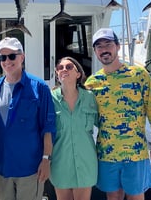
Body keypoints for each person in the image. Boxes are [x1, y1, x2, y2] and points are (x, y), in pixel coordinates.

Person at [85, 28, 151, 200]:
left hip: (136, 153)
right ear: (95, 51)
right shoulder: (92, 83)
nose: (104, 49)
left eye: (108, 44)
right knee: (113, 197)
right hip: (107, 153)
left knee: (136, 197)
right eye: (99, 46)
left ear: (118, 46)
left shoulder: (139, 75)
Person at [0, 37, 56, 200]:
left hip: (30, 168)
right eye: (2, 57)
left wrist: (46, 159)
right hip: (2, 168)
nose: (7, 61)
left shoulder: (39, 87)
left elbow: (48, 127)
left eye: (12, 56)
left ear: (22, 57)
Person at [50, 57, 98, 200]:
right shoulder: (50, 99)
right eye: (60, 67)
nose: (64, 70)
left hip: (86, 162)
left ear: (78, 74)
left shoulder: (90, 98)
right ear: (57, 74)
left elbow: (104, 125)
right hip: (60, 162)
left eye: (69, 67)